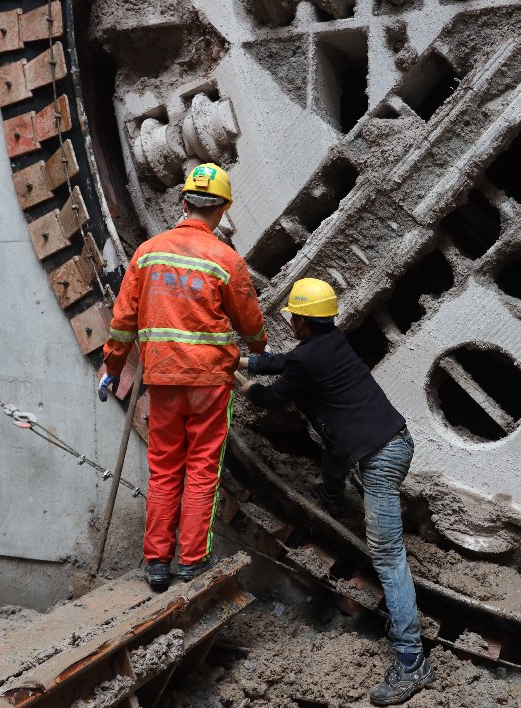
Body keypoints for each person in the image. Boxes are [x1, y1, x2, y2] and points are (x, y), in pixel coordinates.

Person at [238, 278, 433, 706]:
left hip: (381, 458)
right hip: (389, 442)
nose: (289, 320)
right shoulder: (329, 342)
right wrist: (243, 360)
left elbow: (272, 398)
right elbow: (289, 362)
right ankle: (329, 498)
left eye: (293, 314)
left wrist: (243, 383)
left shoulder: (309, 356)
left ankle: (412, 662)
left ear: (302, 319)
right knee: (332, 452)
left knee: (388, 558)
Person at [99, 163, 267, 586]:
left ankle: (156, 564)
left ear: (183, 200)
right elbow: (252, 331)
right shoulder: (226, 259)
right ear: (224, 208)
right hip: (210, 383)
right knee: (202, 469)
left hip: (164, 380)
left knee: (165, 469)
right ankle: (192, 562)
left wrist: (112, 368)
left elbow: (122, 321)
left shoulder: (149, 252)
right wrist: (260, 346)